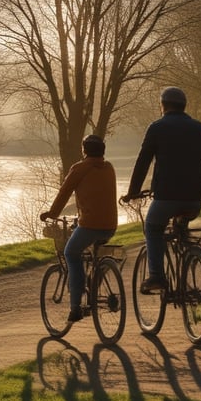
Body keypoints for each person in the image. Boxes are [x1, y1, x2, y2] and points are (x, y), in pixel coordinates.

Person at [121, 86, 201, 294]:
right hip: (194, 200)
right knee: (181, 229)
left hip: (165, 198)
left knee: (153, 229)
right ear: (184, 106)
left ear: (162, 106)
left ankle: (156, 276)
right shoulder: (199, 128)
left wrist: (132, 191)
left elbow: (142, 162)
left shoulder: (157, 127)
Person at [40, 135, 118, 323]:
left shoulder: (79, 168)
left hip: (90, 225)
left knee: (71, 253)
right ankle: (94, 283)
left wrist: (52, 213)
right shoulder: (109, 168)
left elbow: (64, 193)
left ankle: (76, 307)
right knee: (93, 253)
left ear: (84, 150)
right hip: (110, 226)